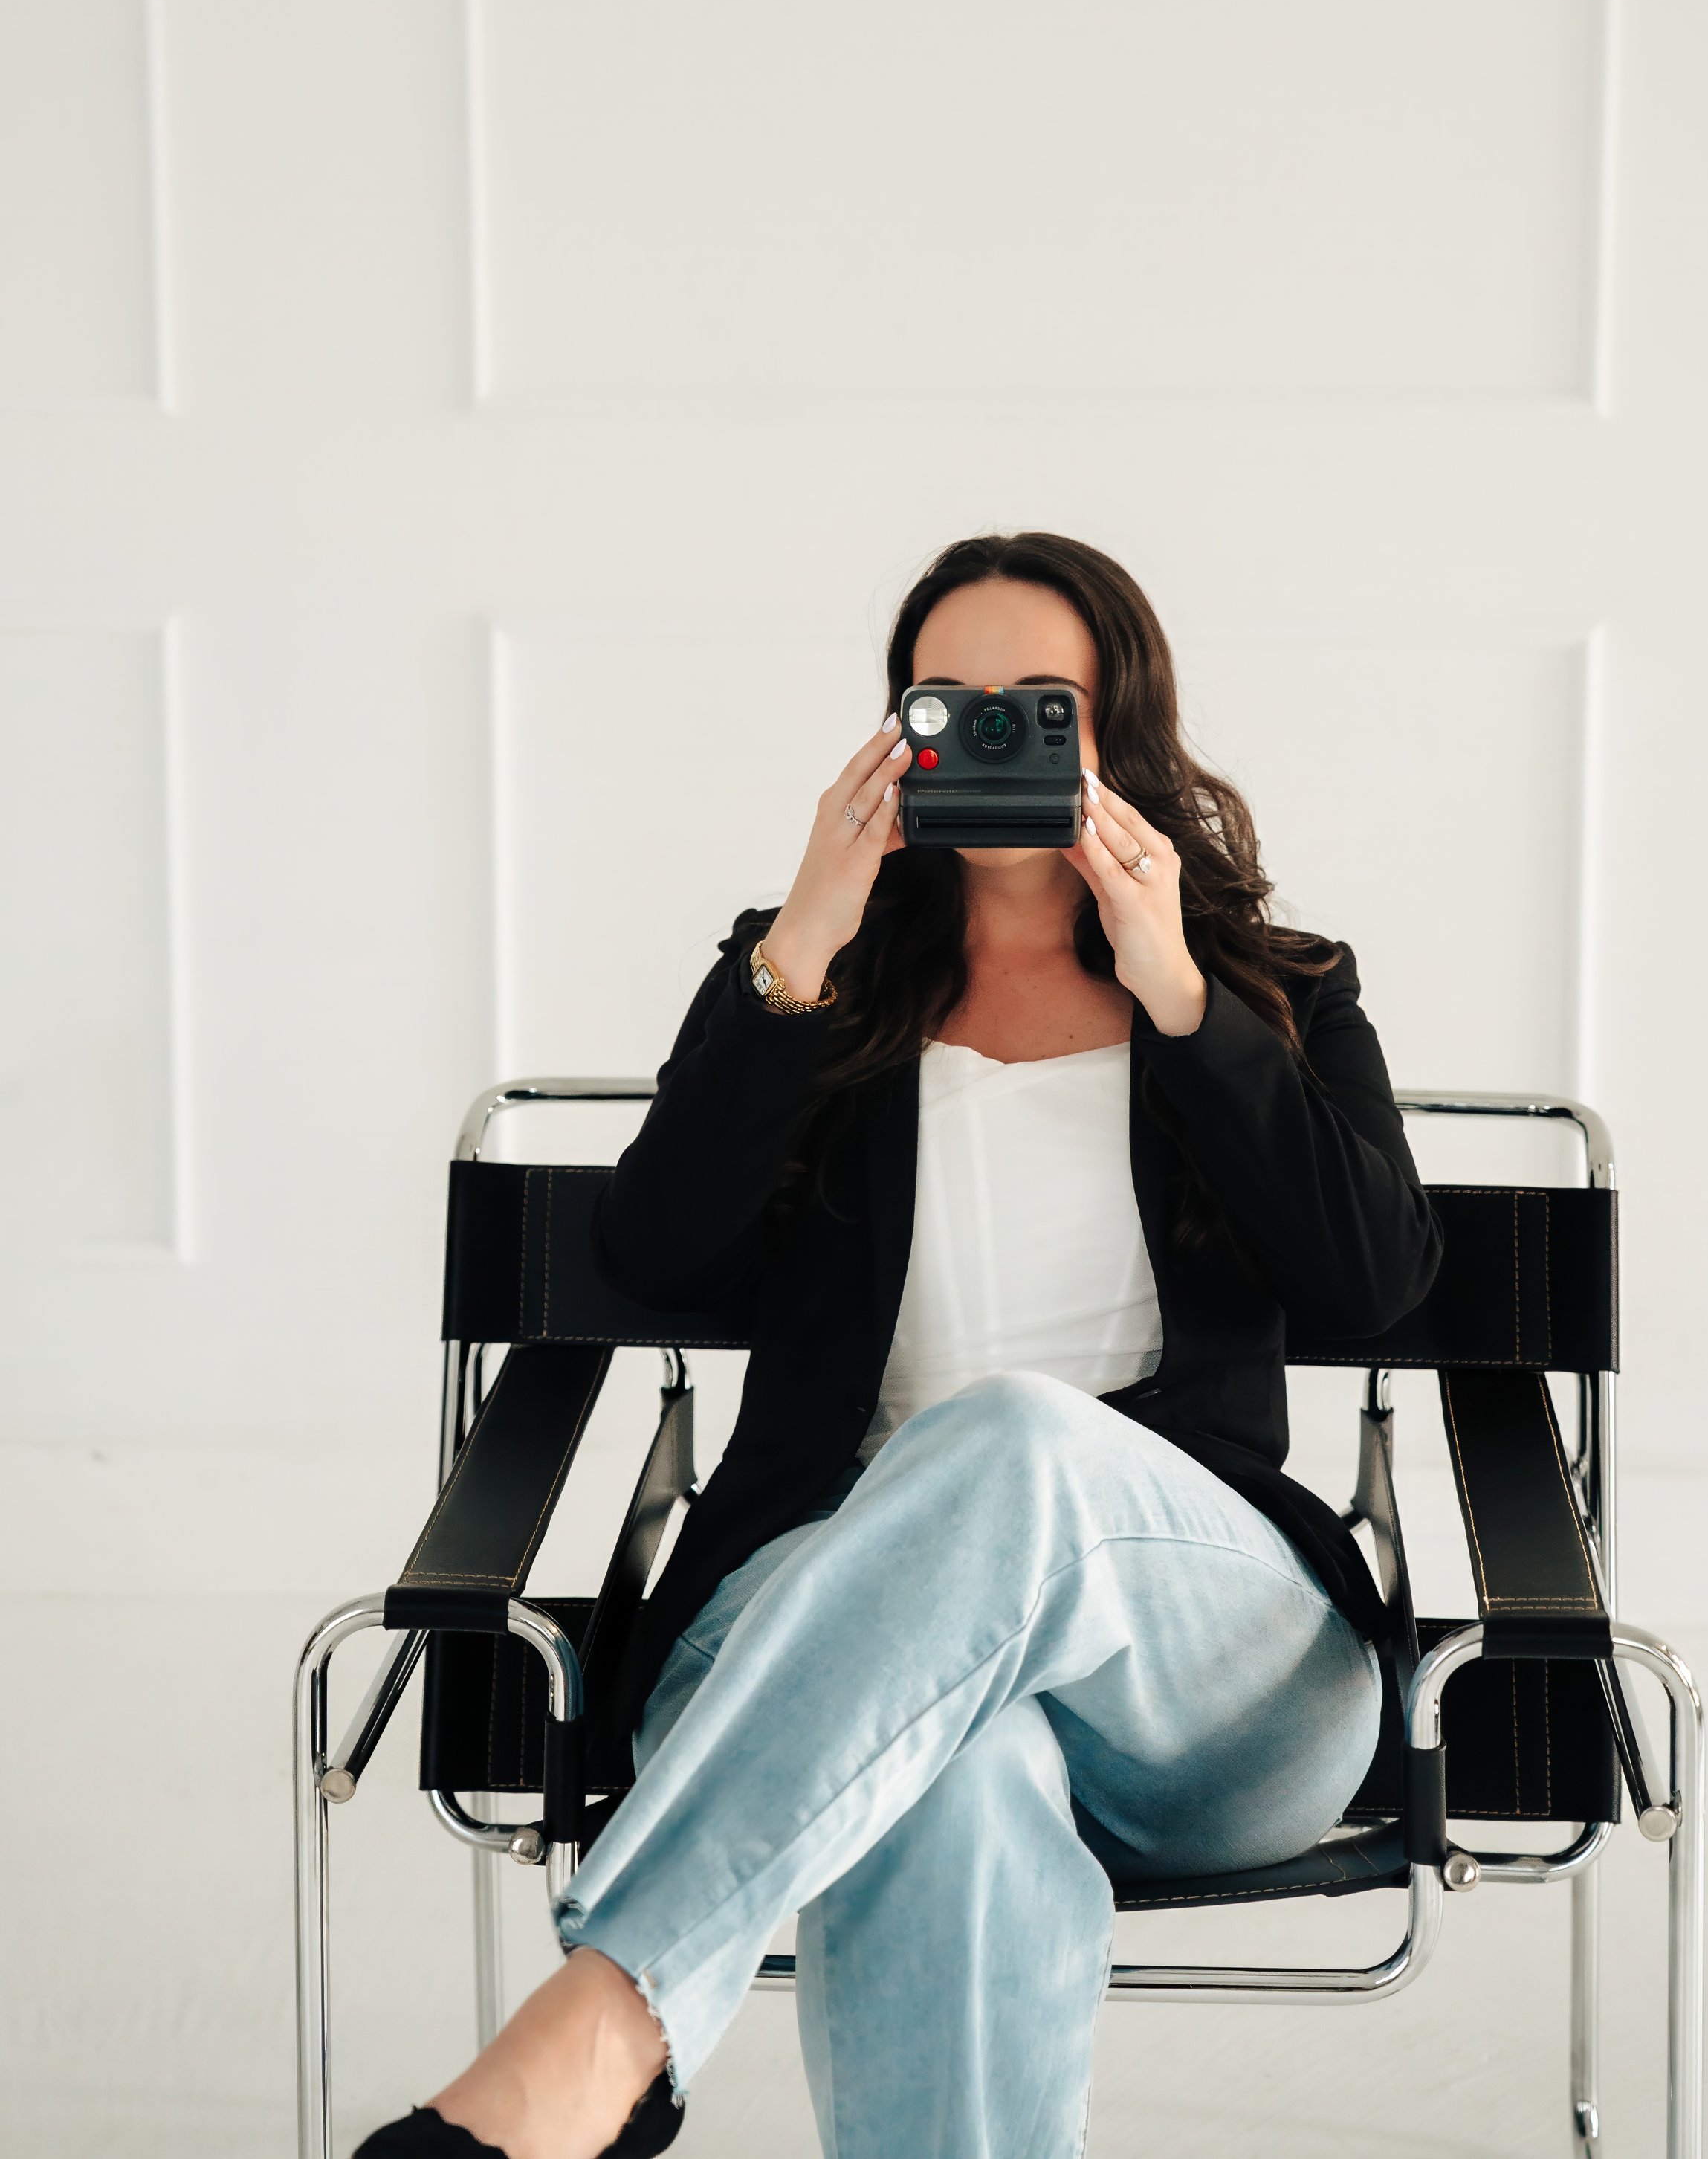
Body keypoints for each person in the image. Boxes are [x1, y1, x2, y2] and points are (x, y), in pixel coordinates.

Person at [358, 532, 1440, 2159]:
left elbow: (1369, 1287)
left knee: (1009, 1436)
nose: (989, 737)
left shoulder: (1267, 989)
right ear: (893, 731)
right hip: (823, 1633)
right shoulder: (818, 974)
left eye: (1041, 706)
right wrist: (797, 946)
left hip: (1205, 1677)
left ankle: (612, 2017)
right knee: (955, 1772)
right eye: (950, 704)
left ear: (1118, 729)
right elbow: (654, 1250)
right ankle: (613, 2029)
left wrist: (1177, 999)